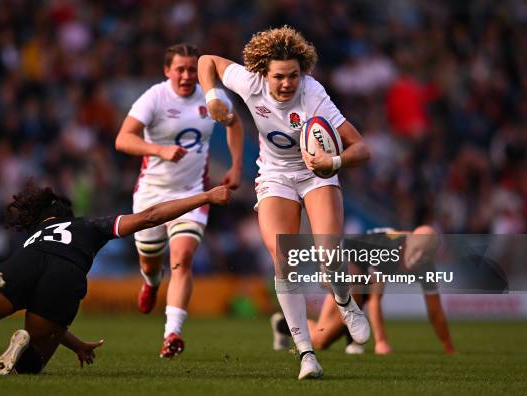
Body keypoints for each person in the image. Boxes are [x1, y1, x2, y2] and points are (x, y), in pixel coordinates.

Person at [198, 26, 370, 379]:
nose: (287, 83)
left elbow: (361, 148)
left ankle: (343, 299)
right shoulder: (250, 82)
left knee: (328, 256)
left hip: (316, 174)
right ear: (264, 73)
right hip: (275, 175)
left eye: (293, 75)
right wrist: (213, 95)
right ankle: (307, 353)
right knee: (282, 256)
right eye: (280, 76)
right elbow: (206, 61)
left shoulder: (313, 93)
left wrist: (332, 163)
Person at [0, 181, 231, 374]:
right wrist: (206, 197)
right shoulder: (88, 226)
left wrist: (77, 344)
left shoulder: (35, 235)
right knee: (32, 366)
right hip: (67, 274)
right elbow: (150, 217)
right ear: (68, 215)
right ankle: (21, 344)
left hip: (24, 263)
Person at [115, 43, 243, 358]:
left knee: (183, 259)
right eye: (180, 69)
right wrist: (160, 150)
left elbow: (234, 123)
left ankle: (172, 333)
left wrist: (237, 165)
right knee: (150, 261)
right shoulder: (154, 97)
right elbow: (123, 139)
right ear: (167, 71)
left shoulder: (210, 98)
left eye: (191, 69)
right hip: (152, 193)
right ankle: (151, 280)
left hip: (192, 193)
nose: (187, 75)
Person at [272, 225, 456, 355]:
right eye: (416, 251)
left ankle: (351, 338)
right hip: (341, 260)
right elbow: (375, 300)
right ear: (408, 243)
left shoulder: (425, 264)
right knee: (322, 337)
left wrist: (448, 346)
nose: (419, 258)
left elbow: (435, 310)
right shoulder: (389, 249)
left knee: (323, 337)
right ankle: (283, 324)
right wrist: (381, 342)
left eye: (424, 255)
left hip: (360, 268)